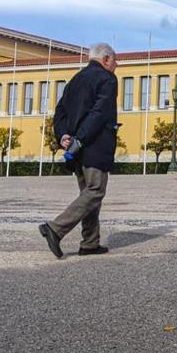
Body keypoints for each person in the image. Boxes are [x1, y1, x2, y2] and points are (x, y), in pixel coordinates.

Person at [38, 43, 119, 259]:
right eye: (115, 61)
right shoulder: (107, 79)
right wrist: (80, 139)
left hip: (76, 147)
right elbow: (99, 113)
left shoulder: (75, 80)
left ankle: (90, 242)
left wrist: (63, 135)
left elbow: (60, 111)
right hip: (94, 144)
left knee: (88, 194)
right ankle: (55, 228)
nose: (116, 65)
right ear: (106, 59)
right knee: (95, 191)